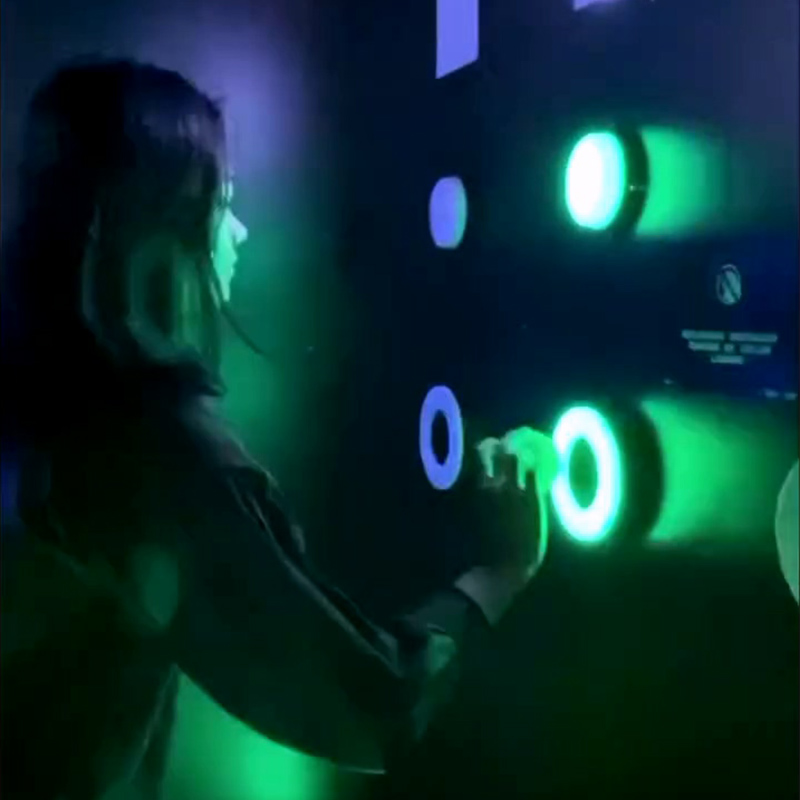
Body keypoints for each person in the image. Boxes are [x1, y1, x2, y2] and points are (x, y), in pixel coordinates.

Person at [0, 59, 553, 800]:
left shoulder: (42, 410)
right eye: (221, 203)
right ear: (157, 229)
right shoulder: (159, 458)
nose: (239, 231)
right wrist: (500, 569)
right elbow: (368, 703)